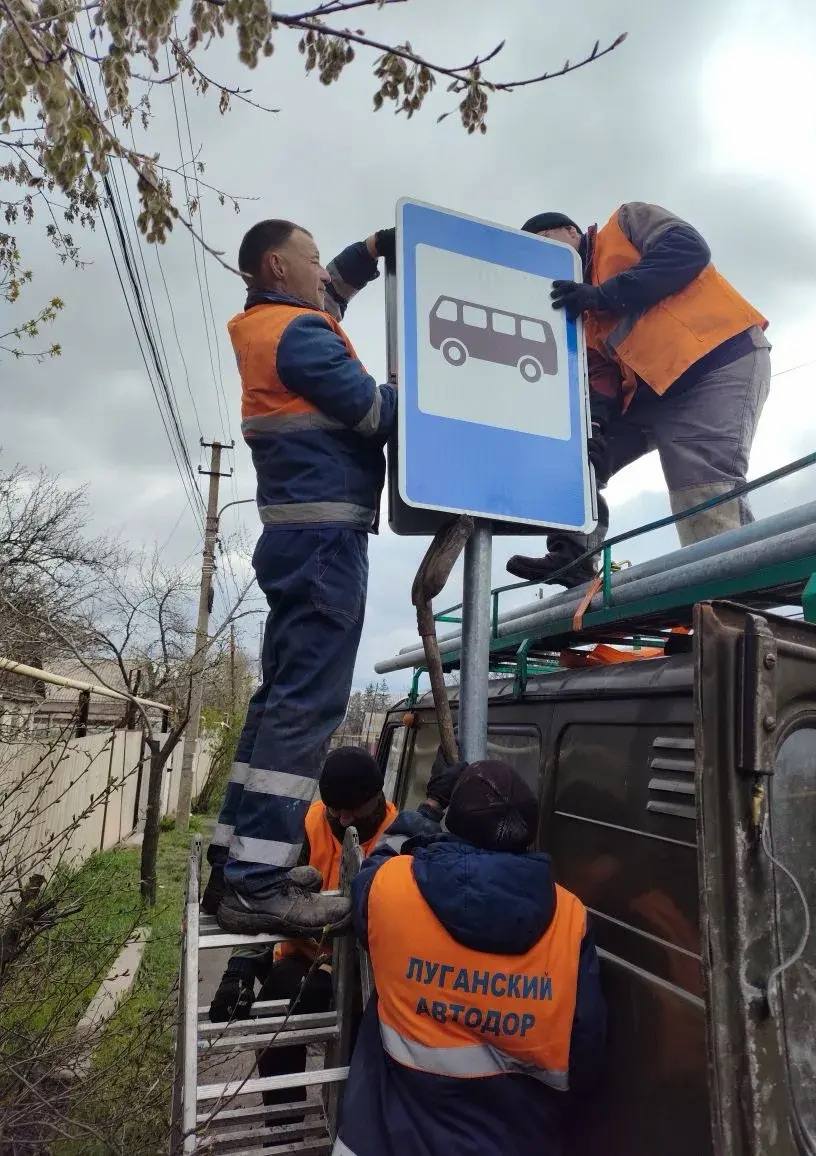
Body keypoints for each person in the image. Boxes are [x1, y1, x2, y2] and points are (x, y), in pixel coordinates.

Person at [203, 220, 398, 935]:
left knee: (277, 702)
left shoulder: (277, 326)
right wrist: (428, 391)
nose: (325, 273)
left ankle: (234, 866)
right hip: (325, 544)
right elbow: (376, 414)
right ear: (279, 266)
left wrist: (370, 255)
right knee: (307, 707)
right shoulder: (301, 337)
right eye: (315, 261)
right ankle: (256, 882)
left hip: (297, 541)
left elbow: (334, 297)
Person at [333, 760, 606, 1156]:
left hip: (385, 1140)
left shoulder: (392, 888)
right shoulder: (571, 918)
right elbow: (586, 1053)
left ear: (453, 822)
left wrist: (428, 807)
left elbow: (375, 861)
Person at [507, 204, 771, 586]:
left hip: (715, 362)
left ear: (570, 231)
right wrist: (595, 427)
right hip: (650, 393)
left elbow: (688, 251)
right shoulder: (581, 309)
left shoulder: (627, 223)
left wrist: (604, 295)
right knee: (576, 453)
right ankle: (573, 557)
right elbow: (602, 378)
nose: (541, 256)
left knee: (701, 485)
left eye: (544, 242)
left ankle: (736, 589)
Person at [208, 747, 398, 1112]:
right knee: (273, 1015)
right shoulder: (305, 825)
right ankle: (283, 1120)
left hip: (366, 974)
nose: (342, 819)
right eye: (333, 807)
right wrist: (241, 967)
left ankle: (350, 1126)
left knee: (369, 1044)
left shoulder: (398, 839)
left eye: (353, 808)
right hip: (303, 959)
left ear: (378, 797)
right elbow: (262, 898)